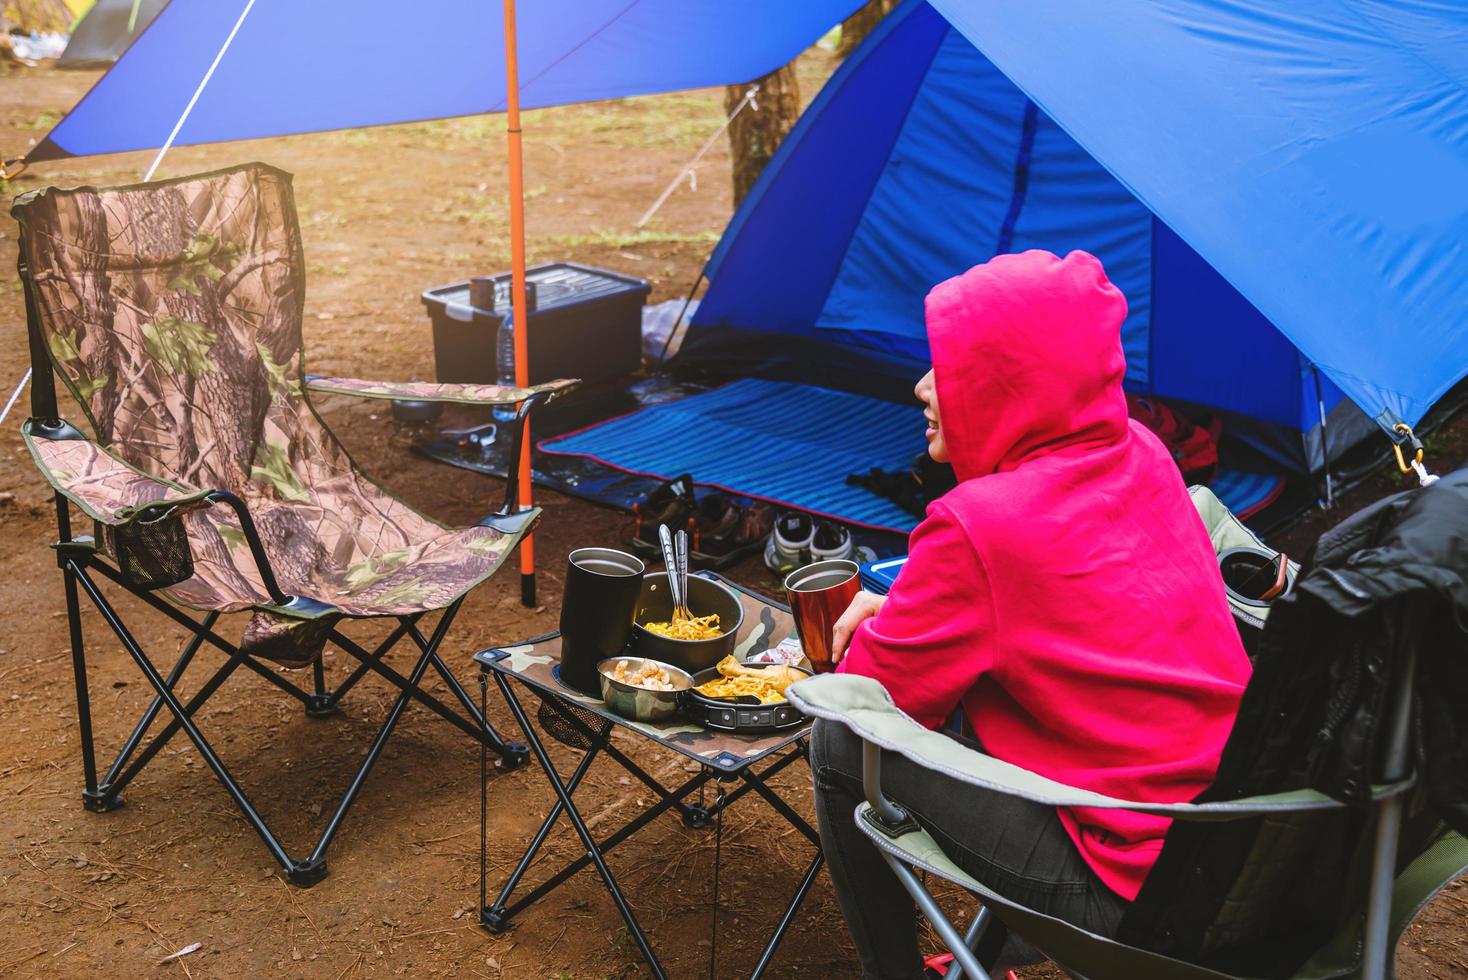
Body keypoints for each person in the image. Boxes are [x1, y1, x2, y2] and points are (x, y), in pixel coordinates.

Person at [811, 249, 1251, 979]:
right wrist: (927, 610)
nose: (921, 388)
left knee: (838, 742)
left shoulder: (980, 524)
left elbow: (875, 702)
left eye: (947, 370)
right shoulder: (1139, 452)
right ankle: (974, 960)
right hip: (1242, 850)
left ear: (1005, 383)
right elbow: (1078, 610)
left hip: (1137, 899)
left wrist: (901, 621)